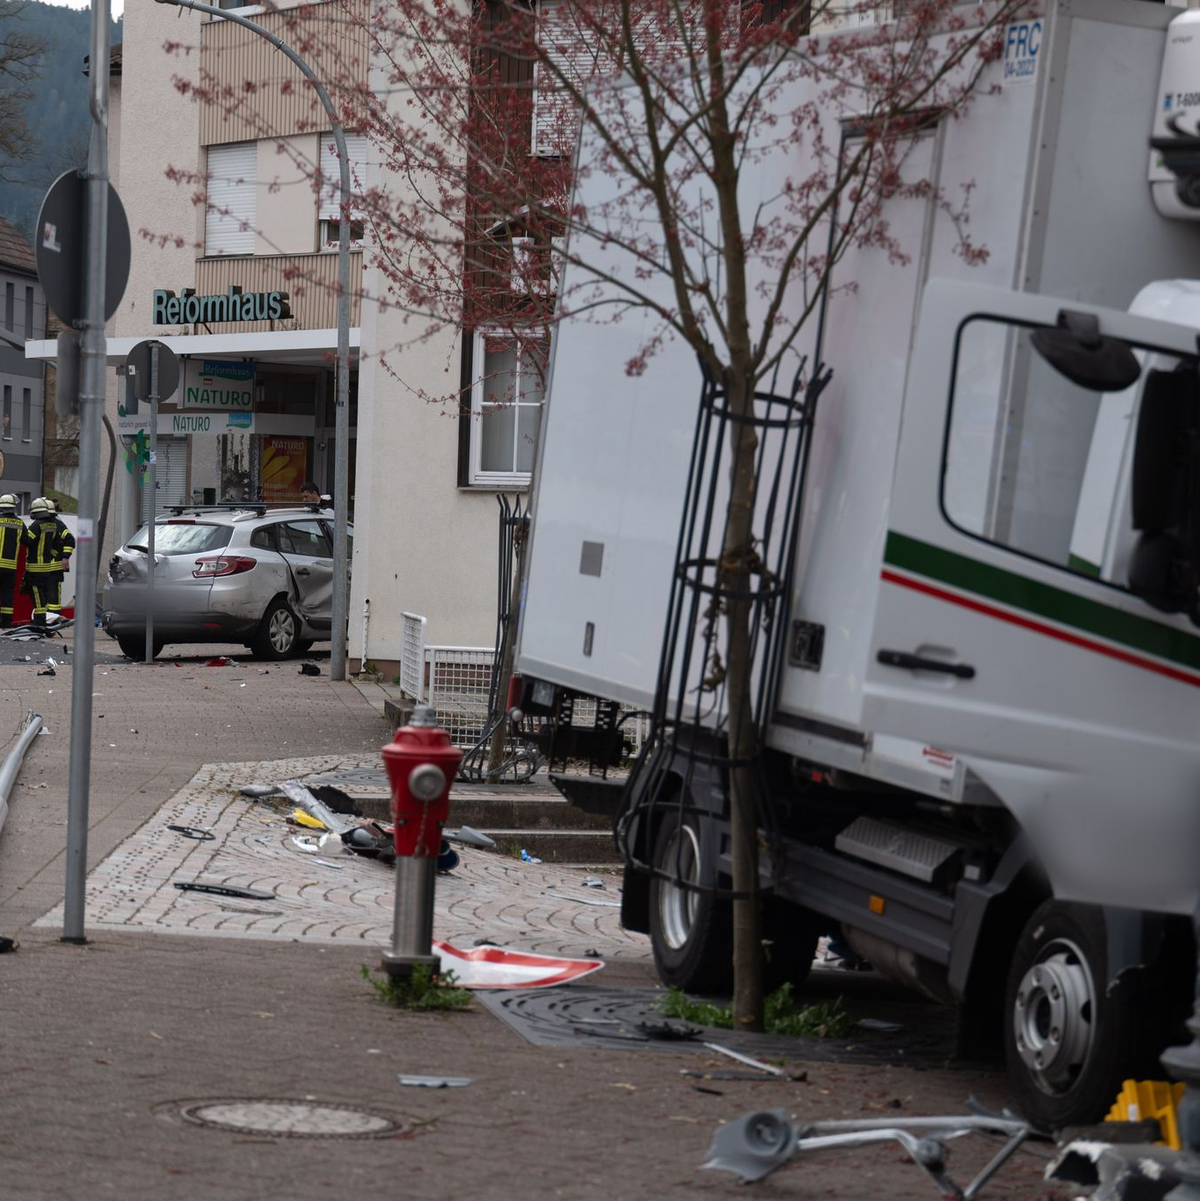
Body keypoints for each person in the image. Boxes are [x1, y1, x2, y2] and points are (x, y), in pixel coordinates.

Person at [23, 497, 71, 626]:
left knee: (40, 595)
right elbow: (56, 543)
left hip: (38, 566)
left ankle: (43, 620)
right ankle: (50, 619)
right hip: (47, 566)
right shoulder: (54, 525)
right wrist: (57, 555)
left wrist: (22, 533)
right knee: (47, 595)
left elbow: (29, 541)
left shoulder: (38, 525)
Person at [0, 494, 23, 628]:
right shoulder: (20, 523)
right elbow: (29, 540)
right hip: (10, 567)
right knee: (7, 593)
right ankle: (7, 622)